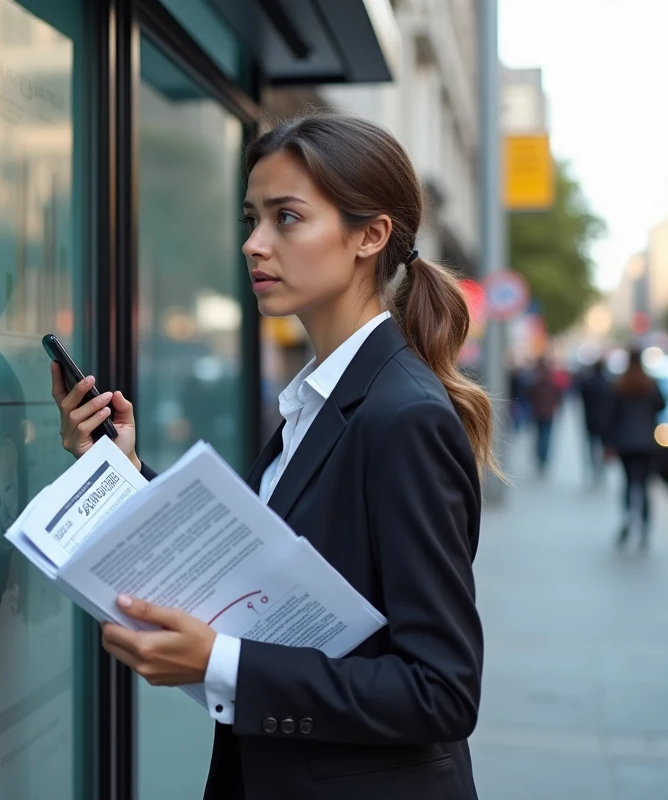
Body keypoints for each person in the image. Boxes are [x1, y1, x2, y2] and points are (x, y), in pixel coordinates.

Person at [51, 114, 493, 799]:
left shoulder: (403, 417)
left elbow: (441, 690)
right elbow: (251, 564)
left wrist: (221, 662)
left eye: (287, 218)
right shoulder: (321, 399)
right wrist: (120, 470)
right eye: (251, 218)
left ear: (369, 236)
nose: (254, 244)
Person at [602, 348, 666, 548]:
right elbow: (662, 405)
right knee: (646, 486)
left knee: (629, 483)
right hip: (647, 441)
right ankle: (645, 528)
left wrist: (608, 444)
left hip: (626, 442)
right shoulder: (651, 384)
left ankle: (628, 517)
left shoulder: (619, 384)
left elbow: (611, 417)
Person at [577, 356, 611, 487]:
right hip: (604, 420)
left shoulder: (588, 383)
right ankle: (601, 469)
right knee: (603, 446)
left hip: (590, 419)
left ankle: (594, 468)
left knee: (592, 446)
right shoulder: (608, 383)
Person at [527, 356, 563, 476]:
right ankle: (543, 458)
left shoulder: (536, 384)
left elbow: (531, 397)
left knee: (541, 436)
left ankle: (541, 457)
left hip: (539, 413)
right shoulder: (551, 385)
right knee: (545, 437)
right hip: (547, 413)